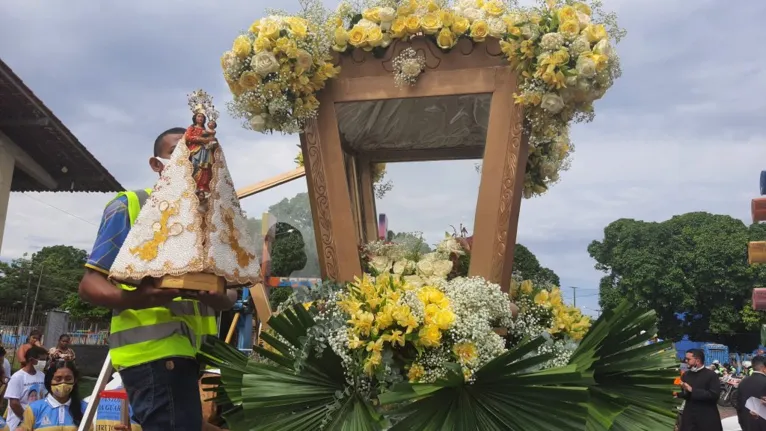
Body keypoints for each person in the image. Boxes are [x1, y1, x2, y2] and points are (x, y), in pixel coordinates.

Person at [78, 127, 236, 431]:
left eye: (199, 155)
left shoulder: (210, 222)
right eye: (178, 152)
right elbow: (89, 284)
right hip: (153, 354)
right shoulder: (131, 206)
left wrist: (213, 294)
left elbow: (228, 297)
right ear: (156, 164)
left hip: (192, 360)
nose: (190, 161)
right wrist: (137, 298)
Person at [3, 346, 48, 431]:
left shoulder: (41, 375)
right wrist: (26, 419)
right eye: (42, 360)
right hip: (19, 423)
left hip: (37, 421)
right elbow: (14, 403)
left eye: (45, 360)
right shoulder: (18, 377)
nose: (44, 362)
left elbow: (44, 396)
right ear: (31, 360)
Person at [678, 348, 722, 431]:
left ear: (697, 360)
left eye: (688, 359)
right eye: (685, 359)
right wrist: (677, 394)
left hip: (707, 418)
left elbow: (714, 395)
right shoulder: (686, 375)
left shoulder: (711, 375)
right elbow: (686, 395)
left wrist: (692, 390)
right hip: (689, 418)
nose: (686, 361)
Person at [736, 355, 766, 431]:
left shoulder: (743, 382)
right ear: (764, 368)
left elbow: (739, 406)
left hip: (747, 425)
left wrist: (742, 423)